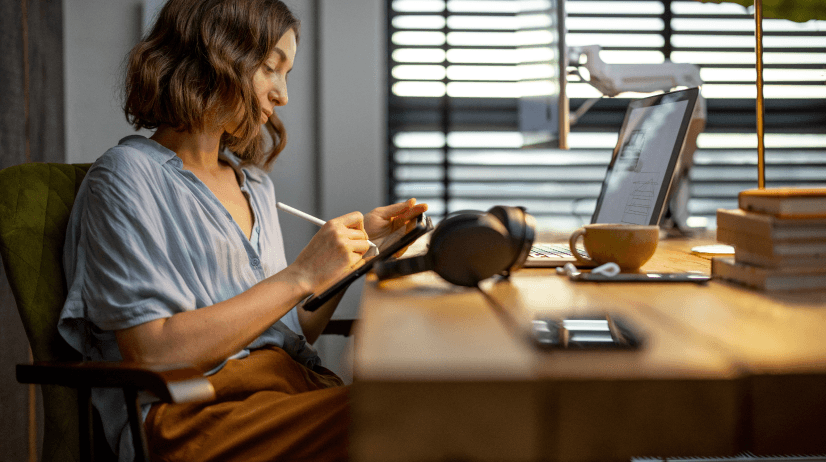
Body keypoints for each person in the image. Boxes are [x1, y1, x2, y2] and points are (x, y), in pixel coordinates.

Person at [57, 0, 427, 461]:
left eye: (287, 74)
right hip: (195, 415)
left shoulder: (253, 184)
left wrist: (357, 255)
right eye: (272, 68)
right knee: (416, 409)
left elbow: (289, 331)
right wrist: (301, 275)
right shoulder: (125, 177)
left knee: (430, 400)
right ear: (216, 57)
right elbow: (152, 354)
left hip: (283, 391)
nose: (282, 95)